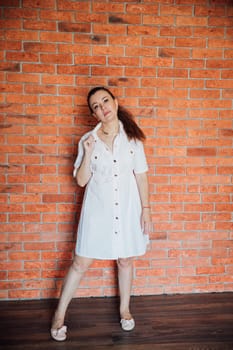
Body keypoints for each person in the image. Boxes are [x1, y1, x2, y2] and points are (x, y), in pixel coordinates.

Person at [50, 86, 152, 341]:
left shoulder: (133, 139)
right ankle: (59, 316)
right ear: (94, 114)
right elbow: (81, 181)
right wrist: (86, 152)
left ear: (115, 102)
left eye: (105, 101)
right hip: (97, 212)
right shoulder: (88, 139)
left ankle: (125, 309)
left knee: (125, 260)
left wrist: (146, 210)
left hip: (127, 209)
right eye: (96, 106)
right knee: (80, 262)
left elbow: (141, 176)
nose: (102, 107)